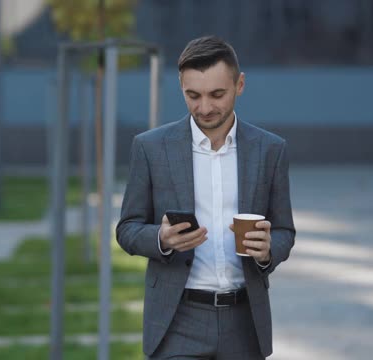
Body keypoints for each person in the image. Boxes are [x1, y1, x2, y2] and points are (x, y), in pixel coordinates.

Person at [116, 36, 296, 359]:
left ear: (239, 85)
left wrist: (268, 252)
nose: (205, 107)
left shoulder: (270, 150)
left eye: (217, 94)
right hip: (177, 320)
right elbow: (127, 228)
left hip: (244, 322)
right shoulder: (151, 148)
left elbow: (285, 230)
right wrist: (162, 238)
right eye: (193, 95)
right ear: (181, 87)